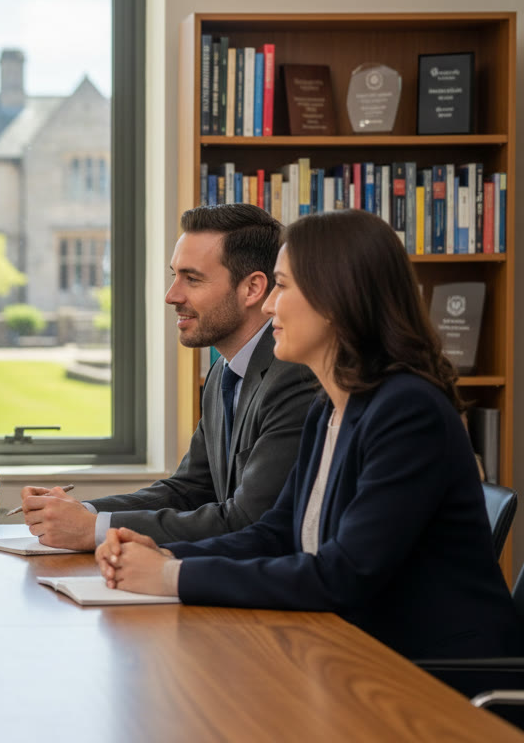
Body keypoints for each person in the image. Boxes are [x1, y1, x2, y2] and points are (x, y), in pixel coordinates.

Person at [95, 209, 522, 660]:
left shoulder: (408, 411)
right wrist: (164, 555)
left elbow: (342, 576)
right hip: (353, 652)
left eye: (282, 285)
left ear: (336, 300)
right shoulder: (330, 408)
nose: (268, 304)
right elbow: (273, 534)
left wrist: (169, 577)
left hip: (435, 678)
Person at [22, 204, 314, 550]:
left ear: (252, 289)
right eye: (174, 276)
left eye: (192, 279)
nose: (171, 295)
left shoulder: (294, 378)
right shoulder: (225, 369)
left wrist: (94, 529)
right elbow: (188, 490)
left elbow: (248, 521)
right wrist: (81, 512)